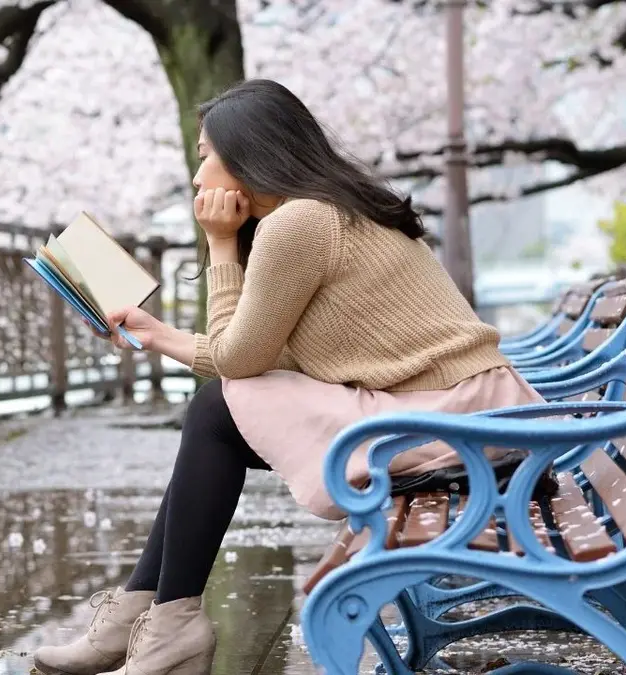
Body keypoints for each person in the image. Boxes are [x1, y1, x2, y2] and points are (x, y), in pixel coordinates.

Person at [31, 78, 544, 675]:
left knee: (216, 409)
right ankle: (150, 618)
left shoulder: (299, 224)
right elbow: (259, 359)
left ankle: (159, 623)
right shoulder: (326, 213)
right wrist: (157, 333)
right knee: (217, 412)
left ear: (250, 154)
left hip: (456, 420)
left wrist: (221, 246)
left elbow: (240, 361)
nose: (197, 178)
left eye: (204, 156)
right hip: (471, 409)